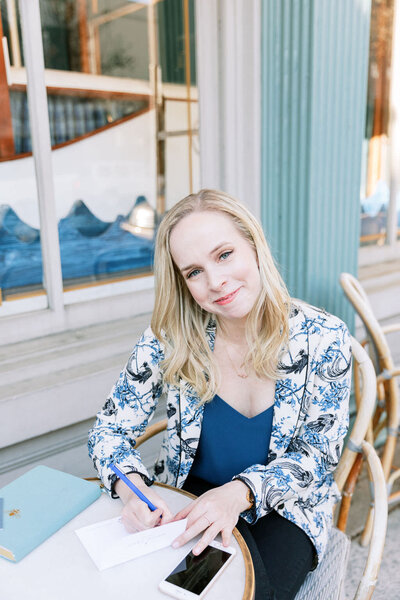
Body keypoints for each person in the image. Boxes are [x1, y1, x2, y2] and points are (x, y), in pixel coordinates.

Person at [88, 189, 351, 600]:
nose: (215, 282)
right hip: (189, 496)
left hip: (285, 511)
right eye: (193, 272)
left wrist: (239, 493)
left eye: (224, 254)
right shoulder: (170, 338)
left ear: (253, 244)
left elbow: (318, 454)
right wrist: (133, 490)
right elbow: (109, 430)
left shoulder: (324, 338)